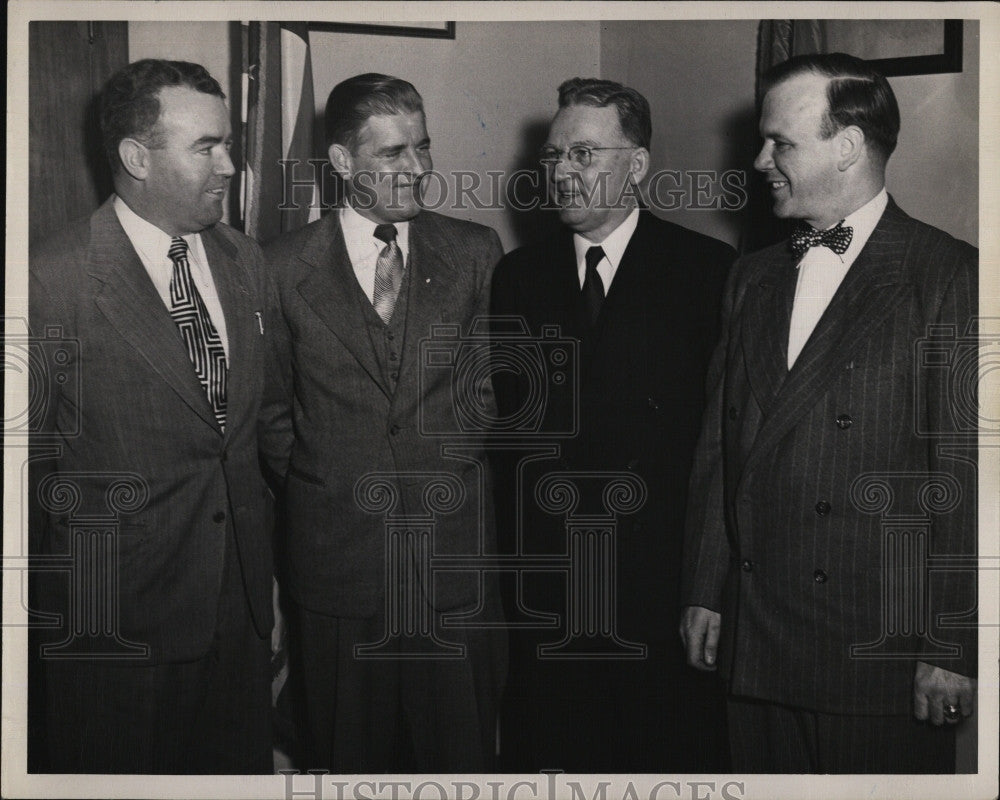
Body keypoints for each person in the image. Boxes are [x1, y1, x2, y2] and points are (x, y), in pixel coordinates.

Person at [680, 52, 978, 773]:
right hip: (755, 637)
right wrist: (705, 590)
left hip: (875, 651)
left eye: (781, 142)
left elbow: (966, 479)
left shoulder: (947, 274)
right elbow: (722, 449)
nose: (759, 160)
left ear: (846, 146)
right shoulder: (751, 276)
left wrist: (951, 647)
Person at [29, 59, 277, 773]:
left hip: (240, 621)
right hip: (117, 638)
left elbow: (254, 434)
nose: (230, 164)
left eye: (226, 143)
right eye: (207, 147)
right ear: (137, 156)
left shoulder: (245, 261)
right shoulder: (53, 281)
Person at [262, 73, 506, 773]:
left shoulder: (475, 249)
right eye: (394, 153)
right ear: (341, 162)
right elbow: (273, 413)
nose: (419, 168)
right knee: (347, 756)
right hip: (338, 562)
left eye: (423, 147)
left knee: (459, 761)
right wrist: (333, 476)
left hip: (453, 562)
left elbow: (490, 387)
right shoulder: (278, 267)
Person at [490, 77, 735, 772]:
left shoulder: (708, 272)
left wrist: (704, 593)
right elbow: (512, 448)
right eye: (553, 156)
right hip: (549, 607)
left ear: (636, 165)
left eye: (584, 155)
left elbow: (722, 447)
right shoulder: (517, 278)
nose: (562, 173)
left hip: (661, 604)